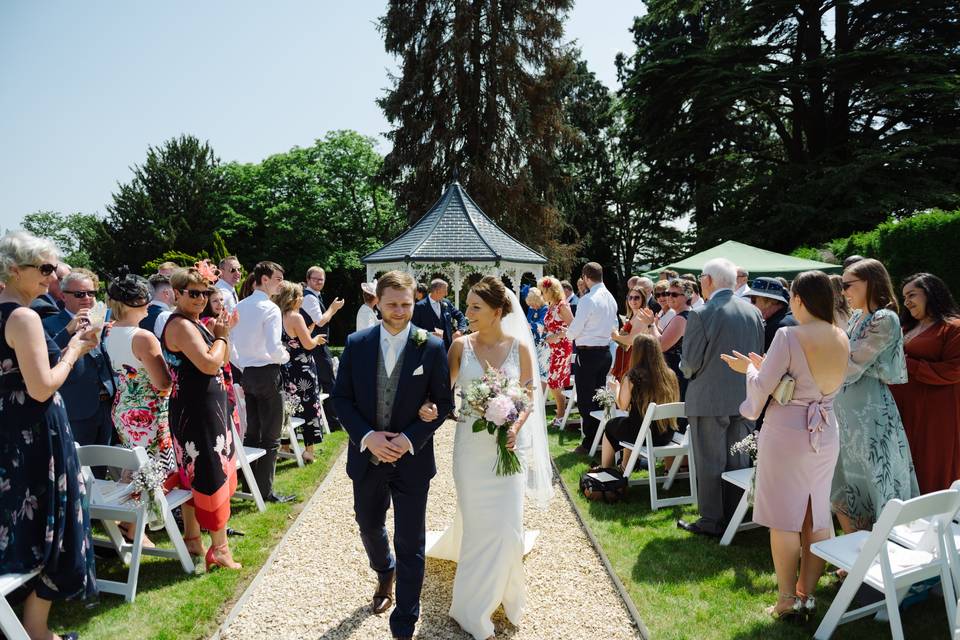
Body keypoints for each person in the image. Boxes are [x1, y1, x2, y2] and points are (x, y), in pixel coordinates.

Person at [422, 275, 553, 640]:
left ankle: (508, 596)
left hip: (508, 447)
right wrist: (430, 407)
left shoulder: (520, 349)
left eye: (475, 307)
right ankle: (471, 609)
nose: (467, 313)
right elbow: (441, 394)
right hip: (471, 450)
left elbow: (527, 397)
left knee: (509, 528)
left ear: (497, 312)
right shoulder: (459, 347)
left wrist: (515, 426)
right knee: (480, 527)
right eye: (467, 306)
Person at [332, 270, 452, 640]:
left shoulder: (430, 347)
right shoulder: (357, 343)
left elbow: (443, 404)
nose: (400, 311)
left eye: (406, 303)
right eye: (392, 304)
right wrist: (368, 437)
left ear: (415, 300)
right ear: (377, 303)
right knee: (368, 522)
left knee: (411, 542)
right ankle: (384, 569)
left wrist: (409, 438)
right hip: (367, 457)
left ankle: (405, 621)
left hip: (413, 461)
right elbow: (341, 400)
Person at [722, 270, 848, 619]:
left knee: (785, 517)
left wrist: (747, 369)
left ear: (798, 299)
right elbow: (804, 381)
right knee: (817, 513)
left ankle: (785, 599)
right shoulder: (841, 335)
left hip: (789, 431)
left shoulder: (788, 334)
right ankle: (807, 595)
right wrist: (763, 372)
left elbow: (762, 387)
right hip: (826, 430)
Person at [0, 231, 98, 639]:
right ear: (12, 270)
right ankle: (36, 628)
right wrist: (76, 348)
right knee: (57, 524)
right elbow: (41, 386)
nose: (51, 277)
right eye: (43, 269)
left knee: (18, 522)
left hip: (8, 431)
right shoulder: (22, 317)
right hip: (37, 433)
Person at [678, 258, 765, 538]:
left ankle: (712, 520)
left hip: (709, 399)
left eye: (701, 277)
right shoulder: (753, 313)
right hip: (745, 397)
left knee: (710, 461)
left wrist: (686, 369)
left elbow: (689, 363)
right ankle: (736, 513)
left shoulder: (702, 313)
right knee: (737, 460)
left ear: (708, 280)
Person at [161, 265, 241, 569]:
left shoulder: (196, 323)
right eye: (193, 293)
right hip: (197, 412)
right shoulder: (181, 325)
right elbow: (210, 364)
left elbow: (223, 358)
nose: (200, 298)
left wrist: (223, 336)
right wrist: (221, 336)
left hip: (207, 408)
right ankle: (219, 549)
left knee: (198, 473)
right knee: (208, 473)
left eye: (205, 293)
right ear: (177, 294)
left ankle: (193, 539)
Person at [832, 258, 919, 532]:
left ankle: (888, 552)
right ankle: (856, 552)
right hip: (846, 411)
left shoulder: (884, 318)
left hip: (870, 413)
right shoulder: (856, 317)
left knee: (878, 477)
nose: (844, 291)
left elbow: (851, 363)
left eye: (848, 285)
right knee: (847, 480)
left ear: (870, 282)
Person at [891, 273, 960, 494]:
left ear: (931, 293)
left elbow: (954, 370)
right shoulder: (907, 328)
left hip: (935, 413)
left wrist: (908, 365)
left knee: (932, 463)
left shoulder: (953, 327)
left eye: (912, 295)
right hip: (903, 410)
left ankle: (939, 517)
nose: (907, 302)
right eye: (904, 297)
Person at [233, 261, 294, 504]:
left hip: (247, 372)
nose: (280, 283)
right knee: (271, 435)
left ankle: (250, 484)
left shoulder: (239, 305)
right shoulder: (270, 308)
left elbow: (231, 345)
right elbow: (273, 347)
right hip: (268, 372)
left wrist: (243, 365)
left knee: (253, 432)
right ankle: (265, 491)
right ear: (265, 279)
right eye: (278, 278)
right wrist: (286, 356)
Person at [43, 268, 118, 450]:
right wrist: (68, 330)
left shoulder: (104, 320)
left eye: (91, 293)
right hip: (76, 408)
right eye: (79, 294)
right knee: (80, 468)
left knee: (104, 467)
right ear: (63, 296)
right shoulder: (48, 324)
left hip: (108, 406)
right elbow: (46, 357)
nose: (87, 298)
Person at [600, 334, 680, 469]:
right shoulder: (669, 375)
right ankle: (625, 465)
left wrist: (616, 389)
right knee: (630, 423)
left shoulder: (633, 377)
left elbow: (623, 406)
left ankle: (605, 469)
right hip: (666, 433)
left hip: (642, 434)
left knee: (611, 425)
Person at [566, 262, 619, 455]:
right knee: (599, 397)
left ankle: (589, 442)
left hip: (588, 354)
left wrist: (567, 334)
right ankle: (599, 437)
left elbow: (575, 329)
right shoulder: (611, 298)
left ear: (586, 277)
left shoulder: (588, 299)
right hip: (604, 352)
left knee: (586, 399)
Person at [274, 280, 327, 463]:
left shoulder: (276, 315)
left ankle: (286, 445)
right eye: (300, 295)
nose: (302, 298)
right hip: (302, 369)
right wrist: (316, 339)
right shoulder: (295, 317)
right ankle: (309, 451)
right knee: (309, 406)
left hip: (285, 369)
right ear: (293, 298)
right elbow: (307, 344)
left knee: (289, 407)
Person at [301, 266, 345, 432]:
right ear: (308, 280)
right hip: (316, 346)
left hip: (317, 345)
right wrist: (333, 309)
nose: (319, 282)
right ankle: (333, 422)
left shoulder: (313, 296)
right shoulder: (310, 298)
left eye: (321, 279)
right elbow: (320, 321)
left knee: (323, 382)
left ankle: (328, 419)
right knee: (328, 382)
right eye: (315, 279)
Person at [646, 279, 692, 404]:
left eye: (674, 294)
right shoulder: (686, 315)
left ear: (686, 297)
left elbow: (661, 346)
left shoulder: (681, 318)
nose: (669, 297)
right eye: (668, 293)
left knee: (672, 415)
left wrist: (651, 325)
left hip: (675, 372)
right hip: (678, 370)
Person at [540, 276, 574, 426]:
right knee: (552, 381)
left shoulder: (562, 305)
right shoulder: (551, 305)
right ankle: (561, 411)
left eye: (543, 291)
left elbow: (573, 325)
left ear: (551, 291)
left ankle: (561, 414)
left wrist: (559, 334)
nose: (542, 294)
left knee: (555, 381)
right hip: (551, 347)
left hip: (561, 348)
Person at [412, 278, 468, 350]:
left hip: (447, 349)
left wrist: (460, 330)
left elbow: (460, 315)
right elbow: (413, 332)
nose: (446, 294)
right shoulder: (419, 307)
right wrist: (429, 335)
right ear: (436, 291)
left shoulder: (446, 303)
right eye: (445, 291)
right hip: (428, 350)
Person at [610, 286, 651, 381]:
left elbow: (631, 340)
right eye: (630, 297)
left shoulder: (642, 315)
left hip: (634, 358)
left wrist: (615, 336)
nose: (633, 300)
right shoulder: (634, 315)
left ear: (643, 299)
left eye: (636, 297)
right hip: (625, 357)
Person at [746, 277, 797, 351]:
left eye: (753, 299)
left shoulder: (778, 326)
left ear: (771, 301)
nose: (751, 304)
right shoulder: (790, 316)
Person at [525, 286, 549, 381]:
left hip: (542, 344)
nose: (532, 306)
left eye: (533, 304)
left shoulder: (545, 308)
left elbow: (541, 325)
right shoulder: (532, 308)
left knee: (541, 373)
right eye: (530, 304)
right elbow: (528, 321)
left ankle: (541, 395)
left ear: (538, 300)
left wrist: (528, 325)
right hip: (532, 343)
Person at [141, 273, 175, 337]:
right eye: (173, 290)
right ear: (166, 293)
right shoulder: (166, 316)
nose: (176, 293)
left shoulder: (138, 313)